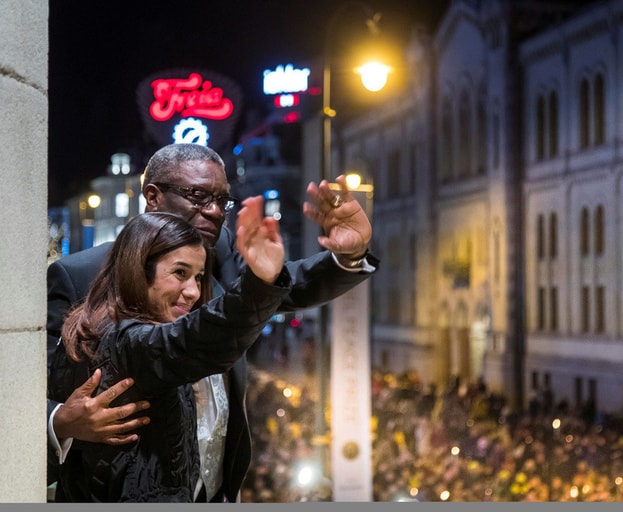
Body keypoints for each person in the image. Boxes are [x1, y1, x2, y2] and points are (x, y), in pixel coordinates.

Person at [47, 143, 377, 500]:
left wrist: (348, 255)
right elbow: (37, 387)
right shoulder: (80, 277)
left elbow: (282, 287)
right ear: (153, 196)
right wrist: (59, 422)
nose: (215, 211)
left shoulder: (220, 256)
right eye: (199, 196)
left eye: (222, 200)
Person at [49, 200, 288, 501]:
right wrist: (260, 284)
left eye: (198, 276)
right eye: (179, 273)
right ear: (139, 270)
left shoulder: (102, 327)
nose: (194, 292)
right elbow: (198, 340)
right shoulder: (124, 341)